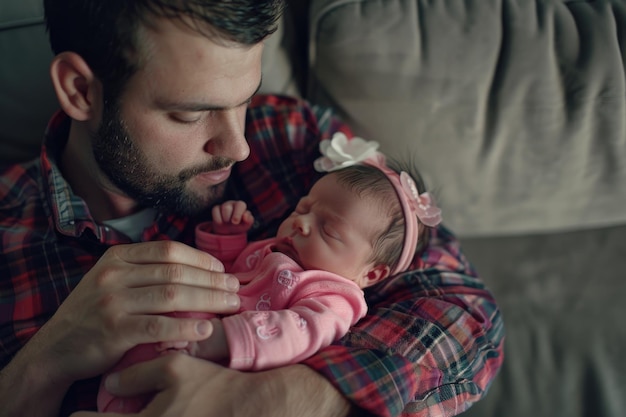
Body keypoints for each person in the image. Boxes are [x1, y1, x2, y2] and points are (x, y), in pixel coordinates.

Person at [0, 0, 504, 416]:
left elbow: (463, 306)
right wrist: (47, 360)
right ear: (80, 89)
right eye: (190, 113)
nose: (237, 146)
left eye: (244, 99)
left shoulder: (294, 139)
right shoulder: (10, 233)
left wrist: (284, 395)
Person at [98, 134, 444, 412]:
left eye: (329, 230)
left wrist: (225, 337)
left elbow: (301, 330)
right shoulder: (275, 249)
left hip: (218, 369)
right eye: (303, 208)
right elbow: (228, 273)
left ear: (370, 275)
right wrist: (228, 236)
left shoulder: (334, 296)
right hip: (168, 344)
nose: (301, 223)